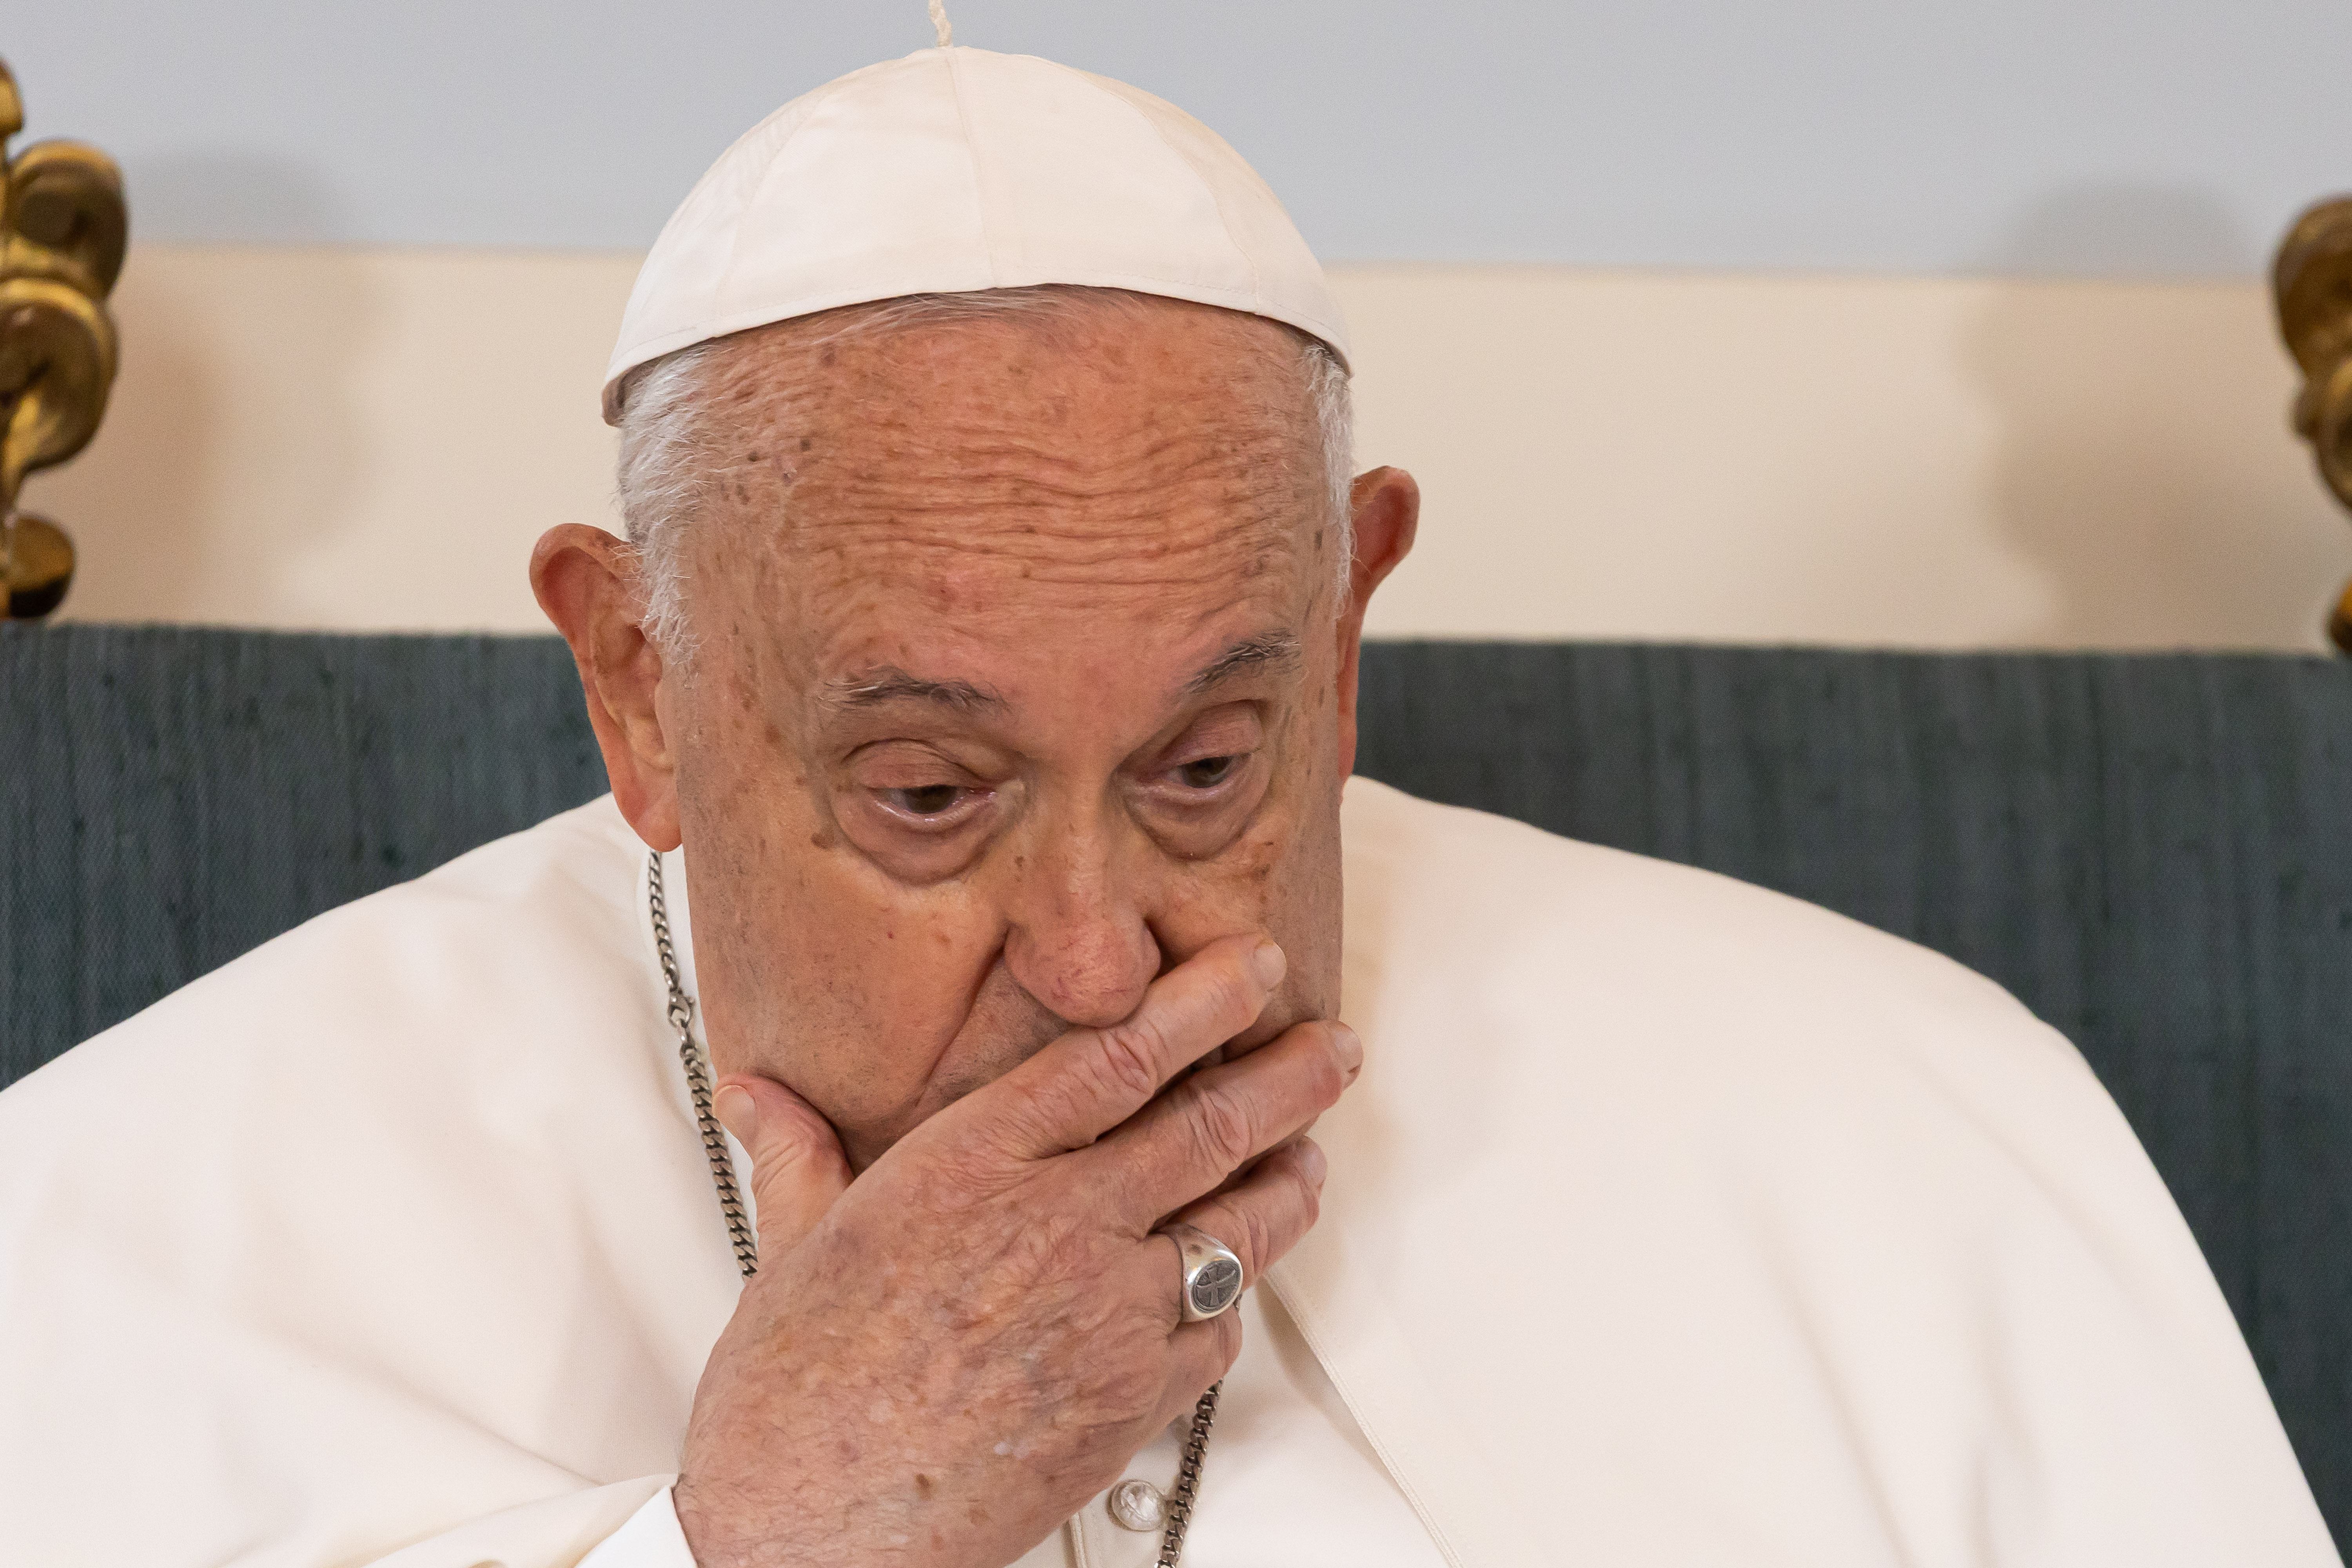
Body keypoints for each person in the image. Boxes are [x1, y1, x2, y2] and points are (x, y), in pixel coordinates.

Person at [0, 41, 2337, 1568]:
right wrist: (761, 1547)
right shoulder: (122, 1230)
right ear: (639, 686)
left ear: (1347, 638)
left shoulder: (1910, 1133)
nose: (1107, 954)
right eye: (931, 791)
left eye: (1216, 766)